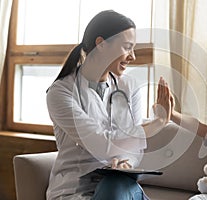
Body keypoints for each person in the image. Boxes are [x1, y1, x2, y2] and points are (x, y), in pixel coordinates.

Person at [46, 10, 171, 200]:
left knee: (115, 184)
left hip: (119, 187)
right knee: (114, 188)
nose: (133, 57)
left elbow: (134, 148)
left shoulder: (129, 87)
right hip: (74, 190)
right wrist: (158, 122)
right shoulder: (60, 92)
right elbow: (101, 144)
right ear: (101, 44)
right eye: (127, 47)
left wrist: (125, 163)